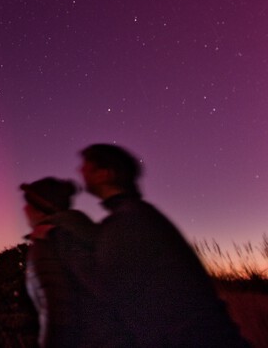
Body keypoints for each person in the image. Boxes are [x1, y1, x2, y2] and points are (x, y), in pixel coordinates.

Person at [78, 143, 250, 347]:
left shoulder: (129, 221)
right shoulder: (137, 216)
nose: (80, 171)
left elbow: (106, 287)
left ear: (106, 174)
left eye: (87, 167)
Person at [20, 177, 101, 347]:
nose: (24, 208)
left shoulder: (47, 243)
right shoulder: (80, 233)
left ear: (40, 210)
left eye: (28, 203)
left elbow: (56, 312)